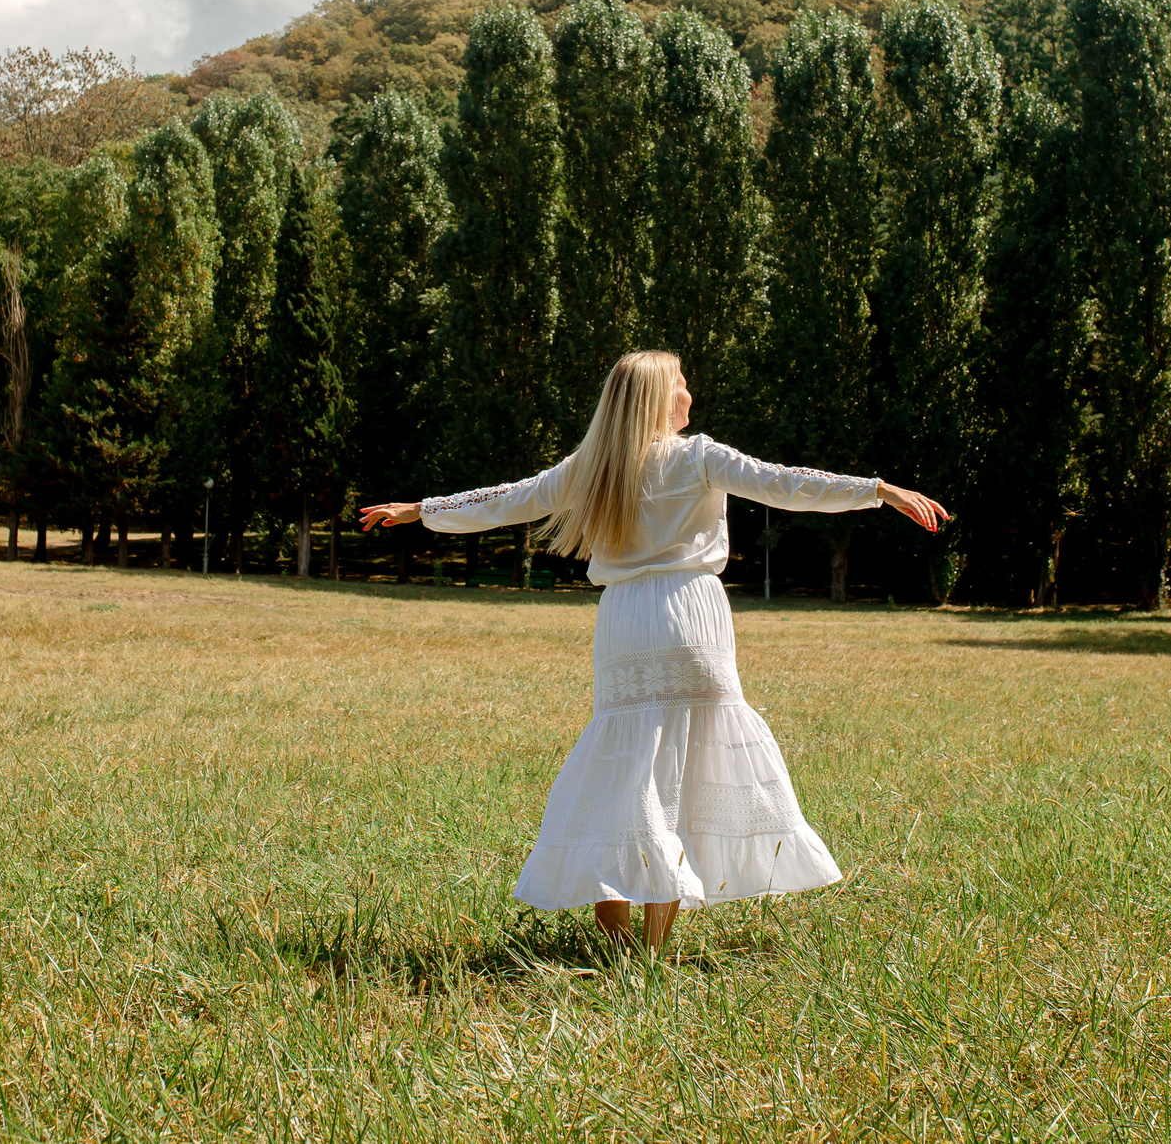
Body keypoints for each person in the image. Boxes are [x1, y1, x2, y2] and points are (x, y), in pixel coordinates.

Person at [358, 349, 945, 952]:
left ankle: (615, 943)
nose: (691, 393)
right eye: (683, 383)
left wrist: (421, 511)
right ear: (661, 400)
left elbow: (508, 499)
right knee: (680, 776)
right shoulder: (699, 457)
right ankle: (655, 948)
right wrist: (878, 490)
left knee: (627, 774)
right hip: (693, 615)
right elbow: (785, 483)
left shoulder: (594, 466)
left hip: (625, 620)